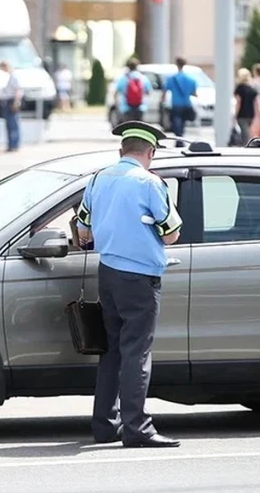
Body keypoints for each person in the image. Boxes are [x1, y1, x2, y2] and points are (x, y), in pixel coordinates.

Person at [75, 120, 183, 449]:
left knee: (112, 352)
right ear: (149, 152)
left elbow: (83, 231)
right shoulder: (150, 184)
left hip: (107, 273)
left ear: (121, 150)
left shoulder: (98, 179)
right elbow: (172, 233)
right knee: (137, 352)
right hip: (139, 279)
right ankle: (137, 427)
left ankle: (106, 424)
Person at [164, 57, 198, 147]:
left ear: (176, 64)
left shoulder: (172, 79)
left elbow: (165, 90)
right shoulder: (191, 79)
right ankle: (180, 137)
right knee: (182, 122)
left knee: (176, 122)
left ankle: (179, 138)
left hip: (176, 104)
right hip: (186, 104)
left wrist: (162, 101)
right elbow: (194, 93)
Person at [233, 67, 260, 146]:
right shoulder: (252, 89)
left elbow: (238, 103)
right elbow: (258, 104)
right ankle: (246, 144)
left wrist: (235, 115)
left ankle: (246, 145)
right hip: (251, 114)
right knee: (247, 130)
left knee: (245, 132)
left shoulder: (239, 89)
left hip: (242, 114)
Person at [0, 60, 23, 152]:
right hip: (7, 100)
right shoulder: (8, 77)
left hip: (11, 100)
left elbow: (18, 90)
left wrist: (16, 102)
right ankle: (11, 144)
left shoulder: (14, 77)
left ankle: (14, 145)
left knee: (13, 124)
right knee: (9, 124)